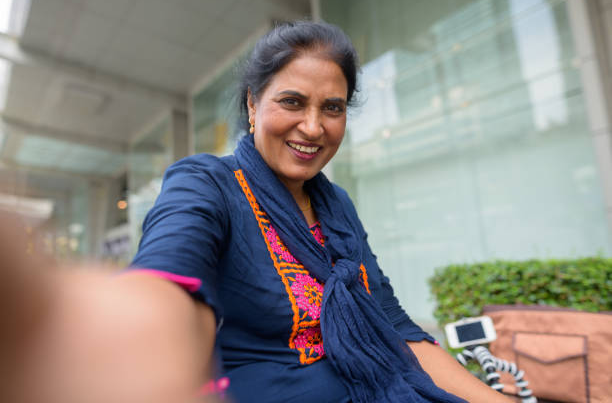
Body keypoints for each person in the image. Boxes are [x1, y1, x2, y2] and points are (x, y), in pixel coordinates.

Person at [128, 21, 513, 403]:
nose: (312, 128)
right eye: (292, 102)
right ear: (252, 103)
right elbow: (167, 287)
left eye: (332, 108)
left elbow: (396, 328)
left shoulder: (338, 206)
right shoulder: (208, 183)